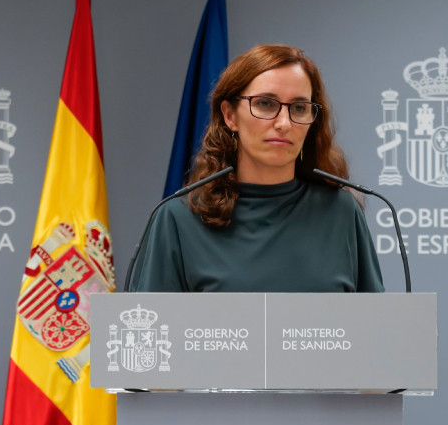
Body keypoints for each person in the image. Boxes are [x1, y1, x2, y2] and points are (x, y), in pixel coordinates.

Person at [128, 44, 384, 293]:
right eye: (265, 104)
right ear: (230, 116)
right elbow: (150, 320)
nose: (284, 123)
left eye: (299, 108)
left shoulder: (341, 212)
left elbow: (374, 318)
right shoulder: (177, 218)